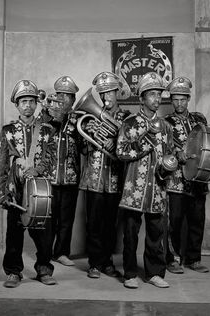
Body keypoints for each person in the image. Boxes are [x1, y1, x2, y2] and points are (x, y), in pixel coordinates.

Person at [116, 72, 177, 289]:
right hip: (134, 188)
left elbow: (170, 154)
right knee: (131, 233)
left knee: (155, 233)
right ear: (142, 98)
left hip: (158, 187)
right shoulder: (130, 123)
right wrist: (144, 144)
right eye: (151, 94)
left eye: (158, 94)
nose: (156, 98)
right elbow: (121, 152)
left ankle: (154, 273)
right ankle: (130, 274)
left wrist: (169, 168)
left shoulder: (166, 126)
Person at [0, 79, 57, 288]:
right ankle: (13, 272)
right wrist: (3, 192)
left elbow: (51, 157)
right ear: (17, 105)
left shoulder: (48, 130)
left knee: (44, 233)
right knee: (14, 233)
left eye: (31, 101)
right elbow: (2, 163)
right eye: (23, 101)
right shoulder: (8, 130)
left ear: (36, 104)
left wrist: (38, 169)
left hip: (39, 188)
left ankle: (44, 269)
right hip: (16, 187)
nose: (28, 105)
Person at [79, 71, 130, 279]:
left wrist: (115, 142)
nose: (106, 97)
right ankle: (94, 263)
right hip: (93, 179)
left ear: (117, 92)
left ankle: (107, 261)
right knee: (93, 223)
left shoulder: (126, 117)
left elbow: (129, 147)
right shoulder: (90, 116)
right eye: (102, 93)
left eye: (109, 92)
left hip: (115, 180)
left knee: (110, 224)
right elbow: (83, 150)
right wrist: (90, 134)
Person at [165, 76, 209, 274]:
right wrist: (177, 153)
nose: (179, 103)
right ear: (171, 100)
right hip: (175, 181)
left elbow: (207, 145)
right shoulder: (165, 123)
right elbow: (162, 149)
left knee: (197, 220)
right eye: (175, 99)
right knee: (174, 221)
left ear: (188, 99)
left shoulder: (199, 120)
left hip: (198, 179)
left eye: (183, 99)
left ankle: (194, 259)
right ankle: (173, 260)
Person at [46, 76, 82, 266]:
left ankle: (61, 252)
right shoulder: (46, 116)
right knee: (49, 218)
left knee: (67, 218)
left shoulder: (79, 119)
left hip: (70, 176)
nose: (62, 98)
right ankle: (45, 252)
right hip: (49, 177)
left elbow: (84, 147)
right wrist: (52, 118)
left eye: (67, 96)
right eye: (59, 94)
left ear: (73, 99)